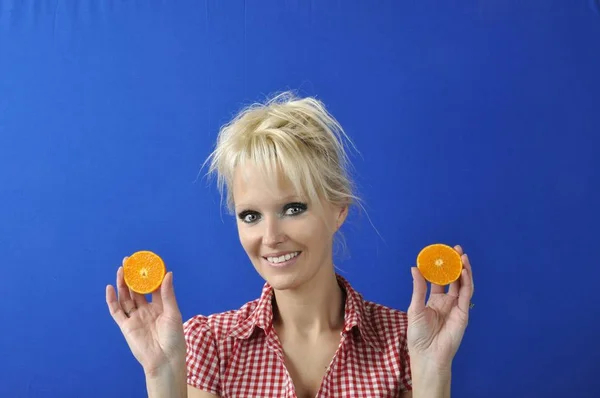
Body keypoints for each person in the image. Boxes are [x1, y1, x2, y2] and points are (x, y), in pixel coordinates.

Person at [106, 91, 475, 398]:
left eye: (293, 208)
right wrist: (162, 374)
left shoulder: (405, 343)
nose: (270, 236)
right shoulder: (207, 345)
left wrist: (433, 369)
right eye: (250, 215)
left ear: (338, 210)